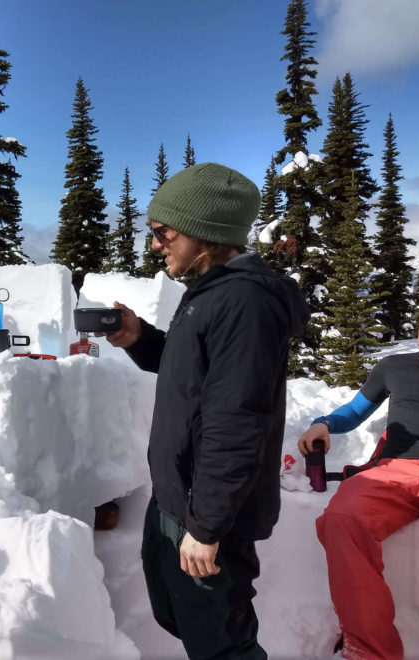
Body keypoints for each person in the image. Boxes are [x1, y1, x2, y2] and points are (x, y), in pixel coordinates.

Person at [105, 163, 309, 659]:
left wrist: (207, 526)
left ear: (205, 234)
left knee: (223, 644)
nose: (155, 244)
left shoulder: (244, 303)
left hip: (210, 508)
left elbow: (237, 420)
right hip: (183, 497)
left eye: (163, 232)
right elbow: (193, 375)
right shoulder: (209, 293)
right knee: (186, 618)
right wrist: (139, 339)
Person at [297, 302, 419, 660]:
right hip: (395, 472)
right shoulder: (394, 367)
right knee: (342, 519)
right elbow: (355, 411)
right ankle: (369, 649)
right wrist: (323, 422)